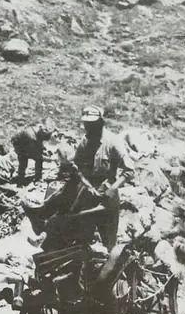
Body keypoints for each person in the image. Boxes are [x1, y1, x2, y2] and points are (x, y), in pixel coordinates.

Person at [24, 105, 134, 251]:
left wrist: (112, 189)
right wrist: (87, 185)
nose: (87, 128)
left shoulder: (113, 142)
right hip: (88, 193)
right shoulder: (85, 141)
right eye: (86, 124)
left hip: (107, 196)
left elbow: (129, 170)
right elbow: (77, 167)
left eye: (91, 124)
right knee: (79, 236)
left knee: (109, 243)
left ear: (100, 123)